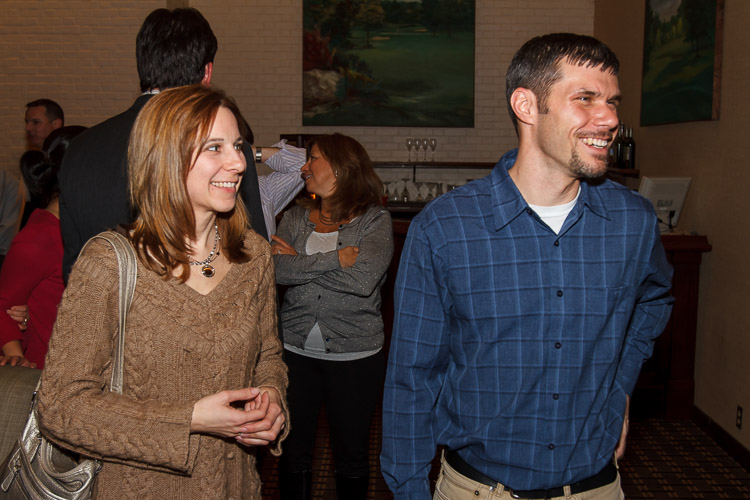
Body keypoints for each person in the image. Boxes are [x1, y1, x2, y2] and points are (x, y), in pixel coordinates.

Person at [381, 33, 674, 500]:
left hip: (597, 488)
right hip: (478, 490)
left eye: (612, 102)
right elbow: (412, 379)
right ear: (527, 106)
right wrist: (409, 490)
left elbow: (654, 300)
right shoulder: (445, 228)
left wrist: (620, 388)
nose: (610, 119)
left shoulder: (632, 221)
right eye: (586, 99)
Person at [37, 85, 288, 499]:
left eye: (237, 146)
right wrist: (189, 420)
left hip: (236, 486)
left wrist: (272, 398)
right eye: (215, 147)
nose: (239, 162)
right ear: (166, 158)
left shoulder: (254, 256)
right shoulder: (109, 264)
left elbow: (269, 356)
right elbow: (60, 407)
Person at [58, 7, 267, 284]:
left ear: (143, 65)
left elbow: (74, 265)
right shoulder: (228, 151)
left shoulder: (79, 148)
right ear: (207, 73)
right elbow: (251, 264)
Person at [271, 133, 393, 500]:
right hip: (294, 353)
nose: (304, 167)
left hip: (355, 356)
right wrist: (336, 259)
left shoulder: (374, 221)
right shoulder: (295, 216)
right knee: (292, 452)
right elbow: (276, 270)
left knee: (351, 456)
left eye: (314, 158)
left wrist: (300, 261)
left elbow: (363, 281)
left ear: (340, 167)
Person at [0, 126, 86, 369]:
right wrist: (17, 359)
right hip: (51, 372)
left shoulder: (80, 227)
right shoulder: (39, 237)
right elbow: (4, 306)